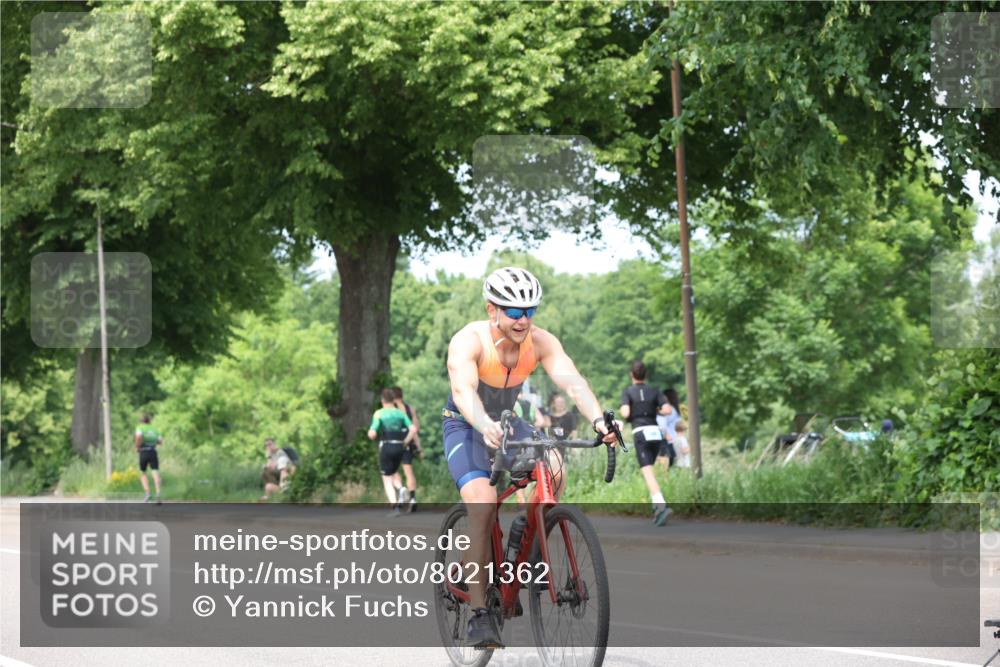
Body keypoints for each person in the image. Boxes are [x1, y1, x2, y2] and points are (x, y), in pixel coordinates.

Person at [443, 266, 618, 649]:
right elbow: (463, 390)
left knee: (554, 470)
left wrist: (599, 420)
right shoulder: (468, 341)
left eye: (530, 311)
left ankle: (526, 531)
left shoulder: (540, 342)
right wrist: (482, 422)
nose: (524, 320)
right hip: (465, 425)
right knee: (483, 504)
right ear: (493, 310)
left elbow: (572, 382)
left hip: (508, 423)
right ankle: (478, 613)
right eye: (514, 312)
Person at [620, 361, 672, 526]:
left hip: (640, 433)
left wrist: (633, 410)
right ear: (646, 375)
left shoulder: (628, 391)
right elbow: (667, 410)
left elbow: (625, 412)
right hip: (656, 433)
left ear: (631, 375)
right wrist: (653, 409)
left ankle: (661, 504)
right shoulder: (654, 390)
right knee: (652, 470)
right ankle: (656, 507)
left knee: (647, 472)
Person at [368, 388, 417, 515]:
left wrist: (371, 434)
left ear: (382, 400)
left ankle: (395, 507)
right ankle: (401, 489)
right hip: (400, 447)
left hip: (386, 446)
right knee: (394, 472)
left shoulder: (379, 413)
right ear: (393, 400)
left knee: (386, 478)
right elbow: (413, 429)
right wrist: (405, 442)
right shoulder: (400, 414)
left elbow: (373, 432)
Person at [391, 386, 422, 513]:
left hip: (394, 443)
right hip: (408, 444)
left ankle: (401, 490)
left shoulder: (391, 410)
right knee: (409, 472)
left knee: (392, 471)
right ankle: (413, 499)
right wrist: (419, 447)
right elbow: (416, 429)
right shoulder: (410, 409)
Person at [134, 413, 163, 503]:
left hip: (144, 451)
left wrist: (137, 446)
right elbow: (160, 441)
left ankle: (148, 493)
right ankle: (158, 493)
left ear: (141, 421)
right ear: (149, 421)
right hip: (153, 451)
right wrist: (152, 441)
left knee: (142, 472)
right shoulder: (155, 429)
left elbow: (139, 437)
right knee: (155, 471)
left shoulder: (140, 428)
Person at [656, 386, 682, 472]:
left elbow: (661, 423)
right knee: (671, 462)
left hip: (669, 439)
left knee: (667, 463)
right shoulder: (675, 409)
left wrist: (666, 435)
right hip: (674, 438)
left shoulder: (668, 409)